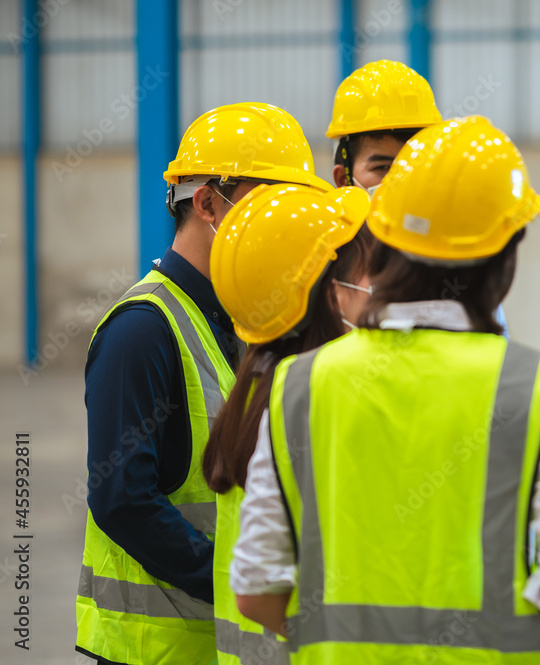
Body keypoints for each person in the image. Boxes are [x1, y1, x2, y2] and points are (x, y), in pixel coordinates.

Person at [232, 116, 540, 663]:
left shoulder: (301, 383)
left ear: (383, 239)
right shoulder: (530, 384)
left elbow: (255, 589)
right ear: (505, 255)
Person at [76, 103, 335, 665]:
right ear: (209, 203)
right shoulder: (142, 330)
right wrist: (236, 580)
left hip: (215, 642)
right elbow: (122, 498)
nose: (279, 227)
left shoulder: (245, 318)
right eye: (267, 206)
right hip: (153, 648)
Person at [202, 182, 372, 665]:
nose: (374, 283)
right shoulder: (310, 405)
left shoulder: (255, 392)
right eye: (361, 270)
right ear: (327, 295)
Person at [327, 58, 511, 334]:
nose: (401, 182)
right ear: (344, 179)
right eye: (383, 168)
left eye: (411, 166)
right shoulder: (320, 269)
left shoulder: (459, 269)